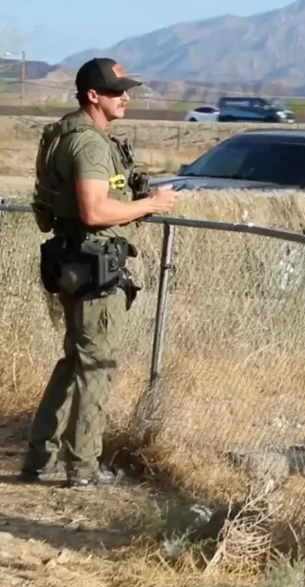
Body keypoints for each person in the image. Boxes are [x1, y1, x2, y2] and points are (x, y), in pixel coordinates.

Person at [19, 57, 180, 489]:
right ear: (93, 95)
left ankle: (40, 458)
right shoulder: (88, 143)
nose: (125, 97)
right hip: (93, 266)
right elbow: (94, 209)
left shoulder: (64, 132)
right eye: (116, 91)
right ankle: (83, 468)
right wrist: (150, 205)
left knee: (75, 360)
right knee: (96, 366)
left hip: (71, 260)